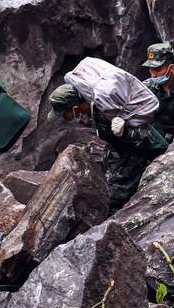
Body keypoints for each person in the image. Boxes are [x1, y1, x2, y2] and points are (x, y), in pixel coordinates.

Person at [48, 81, 167, 211]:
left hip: (142, 156)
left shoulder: (106, 111)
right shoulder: (92, 111)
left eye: (64, 114)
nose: (64, 118)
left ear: (74, 108)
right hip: (121, 155)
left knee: (109, 203)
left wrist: (124, 132)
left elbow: (146, 136)